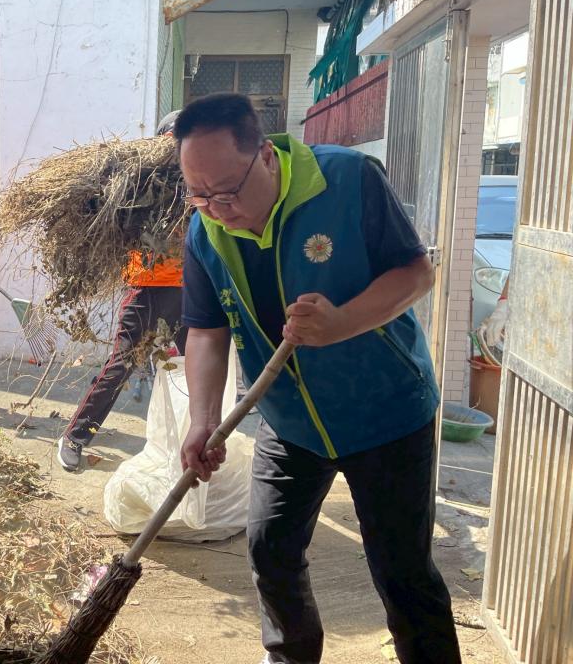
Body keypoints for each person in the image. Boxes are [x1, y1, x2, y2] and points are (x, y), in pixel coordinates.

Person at [176, 93, 461, 664]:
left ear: (265, 155)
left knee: (402, 571)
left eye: (226, 191)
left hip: (385, 413)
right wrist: (202, 419)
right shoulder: (205, 233)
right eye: (198, 194)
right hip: (290, 421)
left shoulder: (348, 180)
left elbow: (416, 273)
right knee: (270, 550)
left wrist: (342, 323)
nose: (216, 208)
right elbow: (206, 331)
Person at [58, 111, 187, 472]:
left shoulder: (200, 181)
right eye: (175, 138)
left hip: (190, 289)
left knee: (193, 367)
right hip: (147, 286)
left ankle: (189, 445)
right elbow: (107, 211)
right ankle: (76, 436)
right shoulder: (141, 180)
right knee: (122, 364)